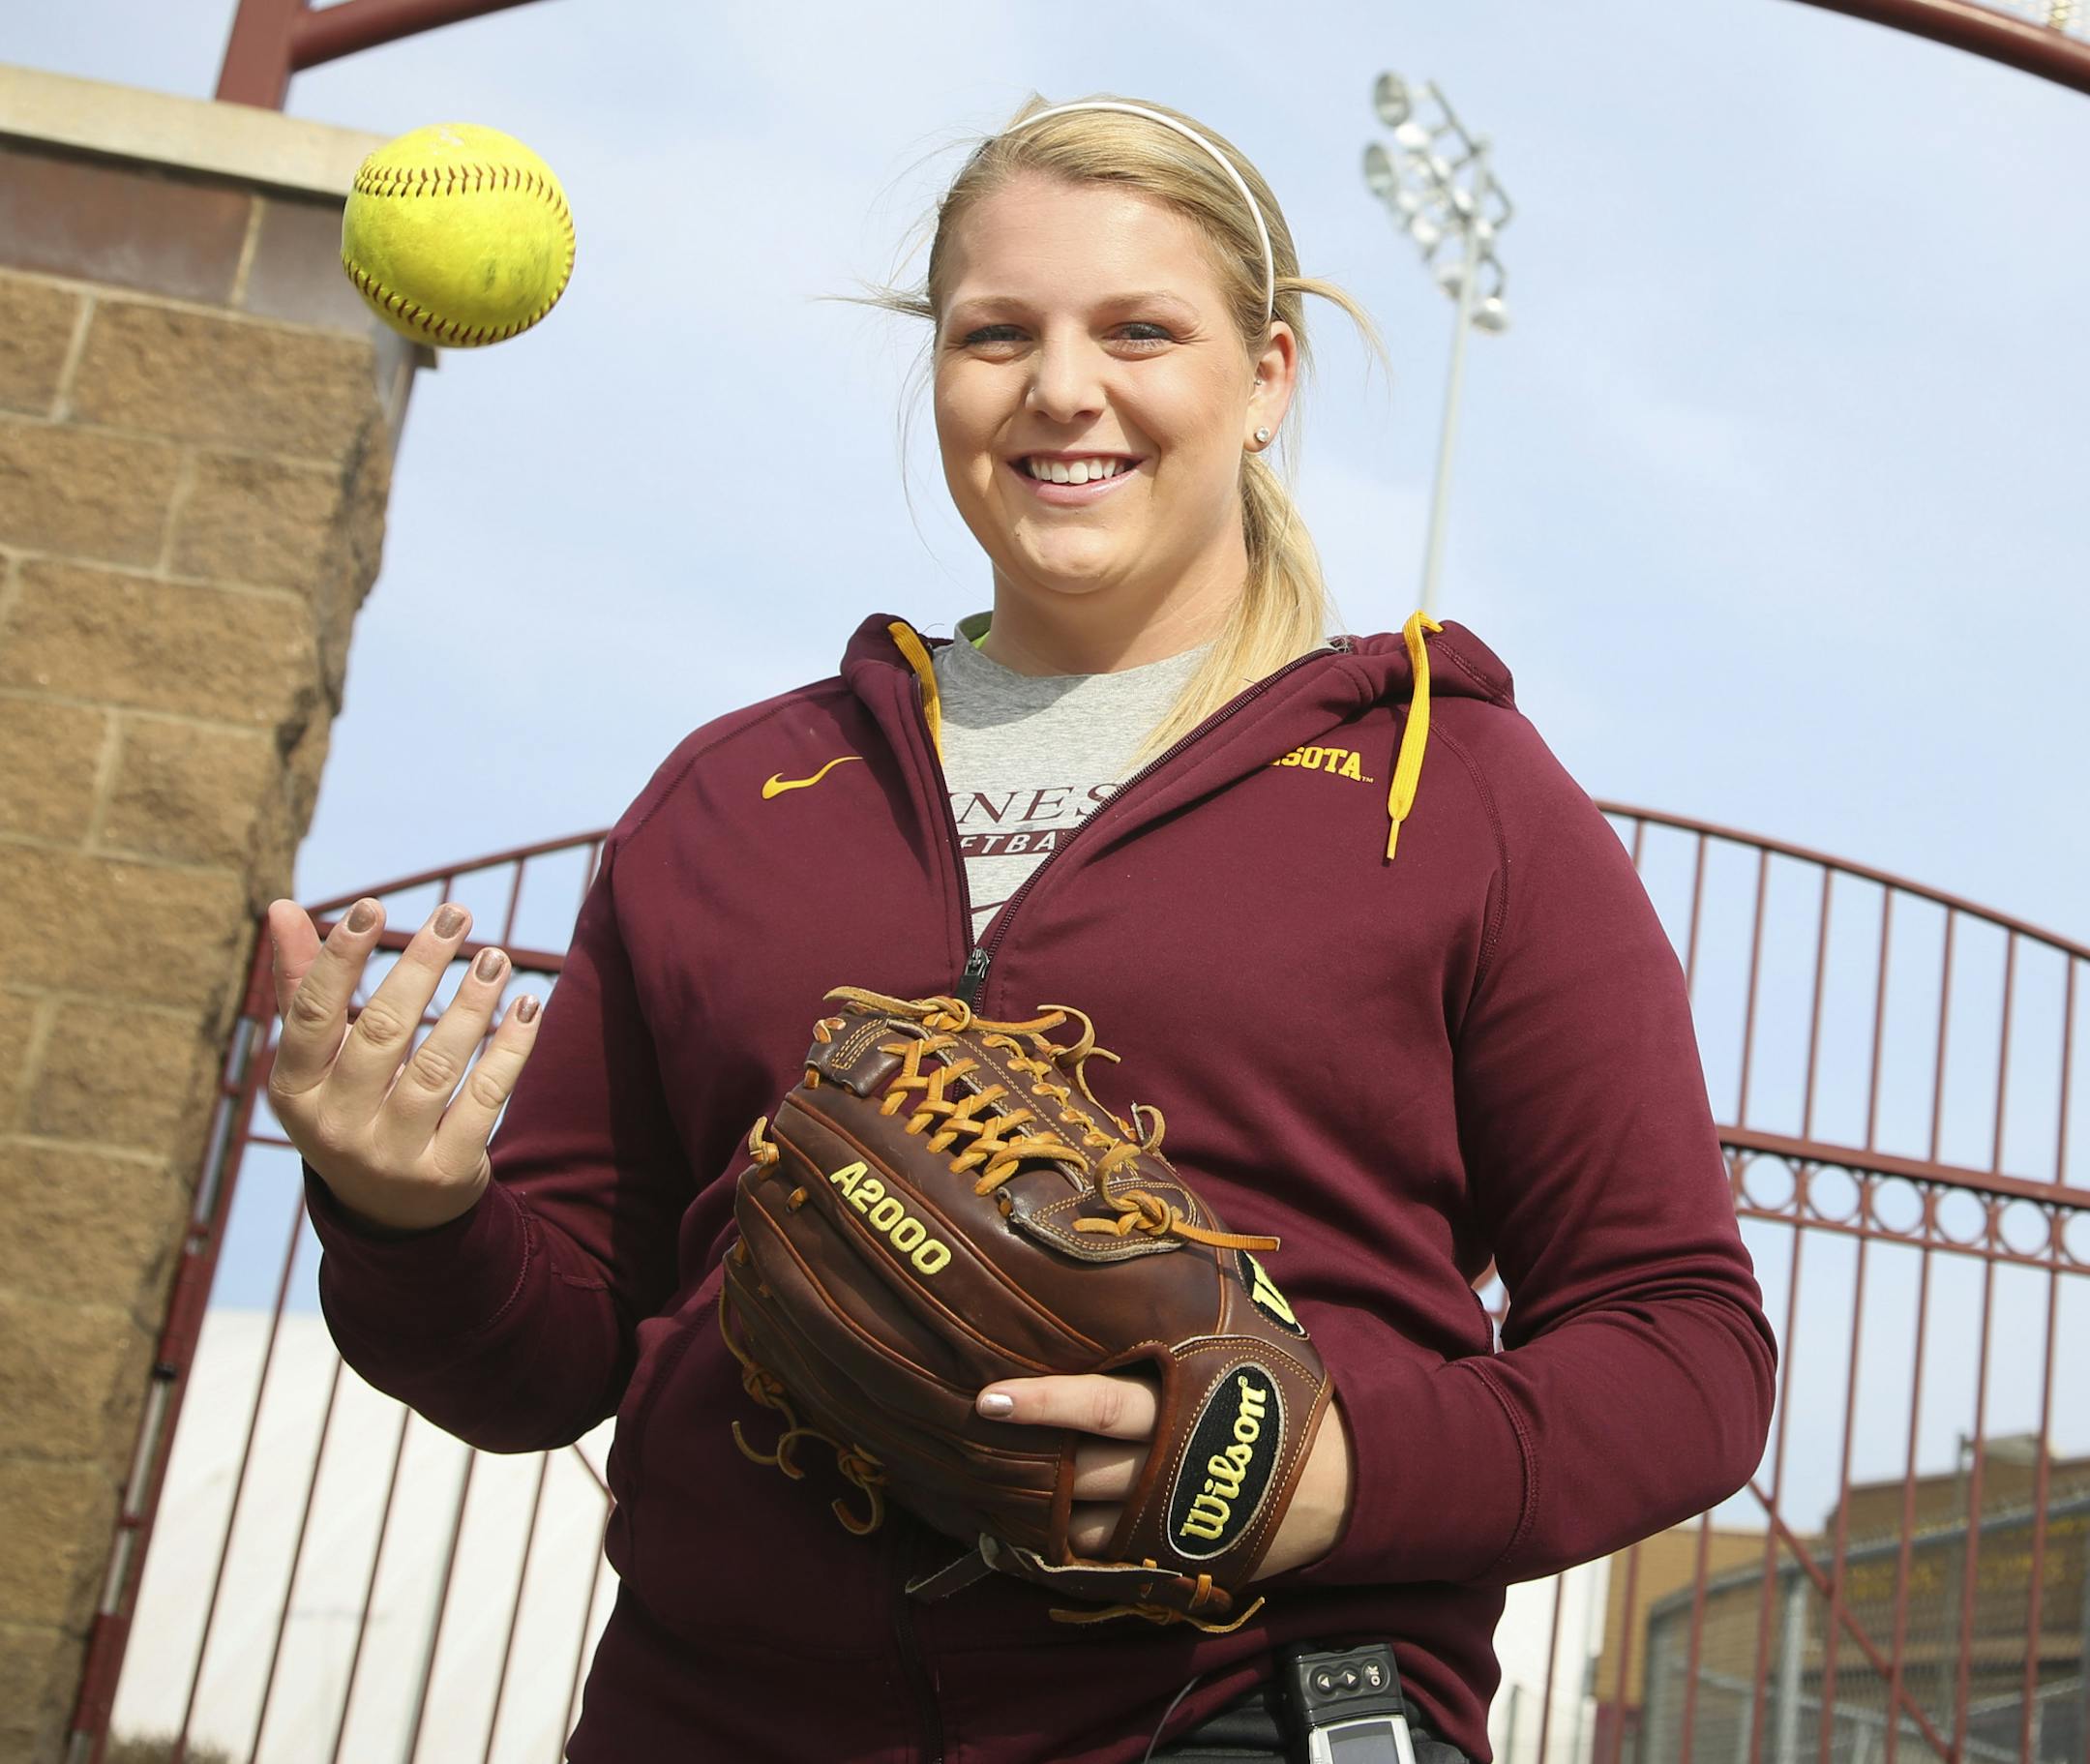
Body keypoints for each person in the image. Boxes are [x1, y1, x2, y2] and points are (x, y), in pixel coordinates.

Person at [265, 90, 1776, 1764]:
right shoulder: (739, 796)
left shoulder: (1456, 790)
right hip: (715, 1720)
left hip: (1240, 1712)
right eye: (999, 334)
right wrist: (404, 1213)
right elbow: (543, 1362)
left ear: (1266, 378)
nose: (1064, 389)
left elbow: (1683, 1347)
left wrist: (1330, 1472)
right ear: (940, 371)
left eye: (1140, 328)